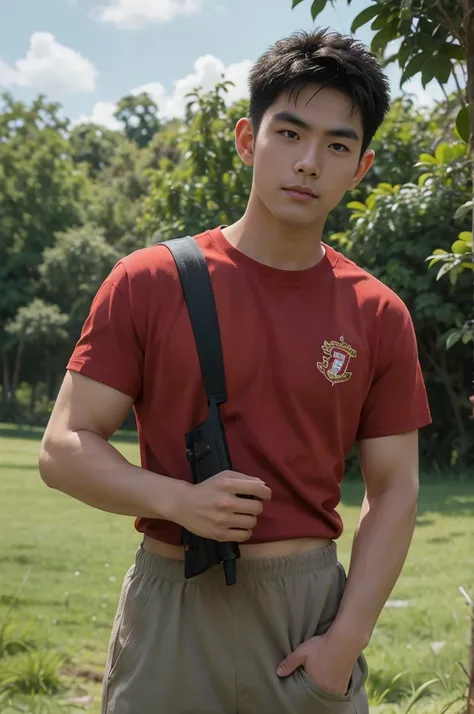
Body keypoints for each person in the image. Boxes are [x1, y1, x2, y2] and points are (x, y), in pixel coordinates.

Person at [39, 28, 432, 714]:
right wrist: (177, 500)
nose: (308, 162)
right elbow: (63, 448)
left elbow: (395, 489)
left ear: (360, 168)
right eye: (290, 134)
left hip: (308, 615)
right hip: (174, 606)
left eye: (336, 145)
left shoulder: (377, 313)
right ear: (248, 140)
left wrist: (346, 642)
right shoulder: (149, 281)